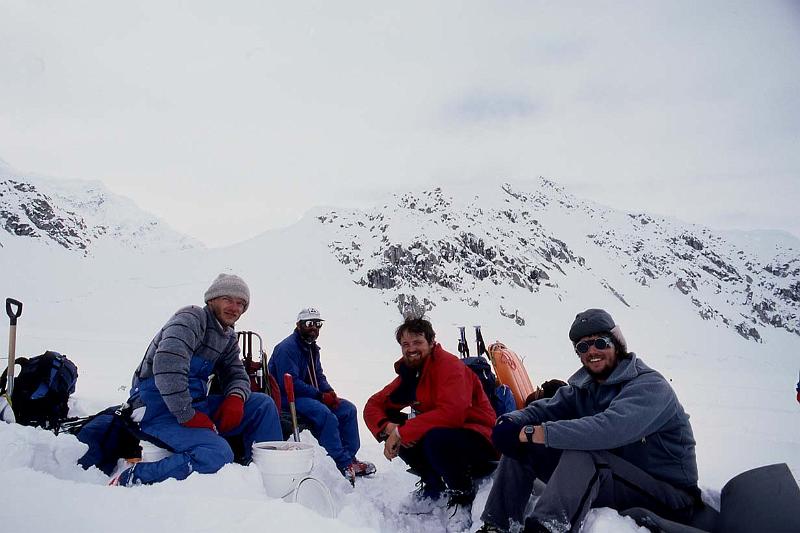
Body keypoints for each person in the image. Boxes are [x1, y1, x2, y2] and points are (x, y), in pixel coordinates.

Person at [478, 308, 701, 533]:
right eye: (583, 347)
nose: (592, 351)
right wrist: (511, 421)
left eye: (600, 342)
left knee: (584, 453)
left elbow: (608, 429)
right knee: (521, 445)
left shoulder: (649, 386)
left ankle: (546, 528)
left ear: (617, 344)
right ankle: (497, 526)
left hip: (670, 498)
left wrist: (534, 432)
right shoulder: (587, 387)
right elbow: (546, 408)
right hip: (615, 480)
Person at [111, 273, 283, 485]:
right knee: (218, 454)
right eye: (227, 299)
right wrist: (187, 414)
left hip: (195, 406)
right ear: (212, 299)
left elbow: (236, 373)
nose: (234, 308)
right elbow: (167, 363)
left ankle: (264, 477)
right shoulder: (191, 318)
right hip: (157, 410)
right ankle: (133, 477)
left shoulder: (227, 336)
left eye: (240, 303)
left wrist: (236, 398)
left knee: (262, 405)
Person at [364, 317, 497, 532]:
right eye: (405, 344)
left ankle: (462, 496)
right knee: (399, 424)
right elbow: (374, 405)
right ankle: (435, 486)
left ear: (431, 342)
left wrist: (401, 432)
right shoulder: (412, 373)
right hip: (446, 436)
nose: (411, 349)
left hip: (480, 439)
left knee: (434, 438)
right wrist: (390, 429)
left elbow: (453, 414)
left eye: (417, 342)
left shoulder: (449, 366)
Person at [268, 307, 375, 483]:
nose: (314, 328)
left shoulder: (311, 348)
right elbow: (290, 382)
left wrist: (329, 392)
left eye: (318, 324)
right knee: (325, 415)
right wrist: (319, 396)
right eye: (309, 323)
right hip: (288, 398)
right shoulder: (287, 348)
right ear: (299, 325)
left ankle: (349, 458)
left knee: (347, 409)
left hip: (307, 395)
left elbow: (318, 375)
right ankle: (342, 463)